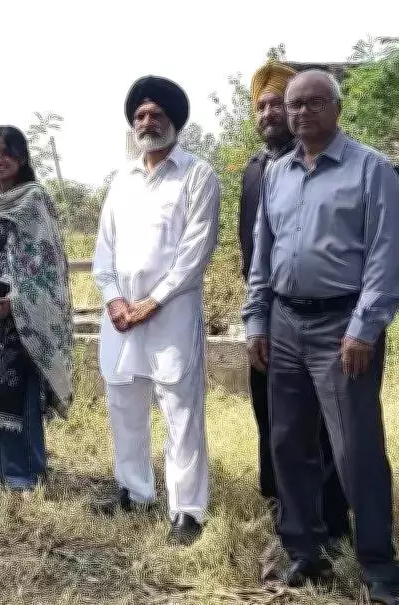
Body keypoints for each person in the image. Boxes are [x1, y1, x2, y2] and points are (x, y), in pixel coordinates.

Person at [243, 70, 399, 602]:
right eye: (294, 105)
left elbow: (386, 257)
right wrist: (256, 319)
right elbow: (263, 254)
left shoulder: (372, 170)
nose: (301, 112)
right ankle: (304, 549)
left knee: (356, 448)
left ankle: (379, 565)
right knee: (288, 443)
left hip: (342, 327)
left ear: (336, 107)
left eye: (314, 103)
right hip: (284, 323)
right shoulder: (277, 173)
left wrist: (364, 329)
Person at [91, 75, 220, 546]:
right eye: (140, 115)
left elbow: (195, 252)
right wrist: (114, 299)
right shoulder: (121, 179)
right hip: (121, 317)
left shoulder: (197, 175)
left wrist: (152, 302)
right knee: (123, 402)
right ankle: (134, 490)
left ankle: (187, 510)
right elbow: (104, 250)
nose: (148, 122)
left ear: (175, 121)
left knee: (181, 411)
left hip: (170, 314)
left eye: (157, 114)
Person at [240, 61, 349, 540]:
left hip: (327, 317)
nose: (269, 114)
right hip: (270, 314)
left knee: (325, 423)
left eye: (276, 104)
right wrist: (255, 315)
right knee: (273, 417)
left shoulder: (332, 165)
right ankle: (285, 508)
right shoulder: (255, 171)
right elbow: (253, 252)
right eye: (261, 106)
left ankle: (332, 516)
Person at [0, 125, 73, 496]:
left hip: (18, 316)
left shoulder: (34, 200)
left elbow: (46, 263)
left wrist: (15, 302)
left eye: (6, 152)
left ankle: (23, 478)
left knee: (17, 394)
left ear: (22, 157)